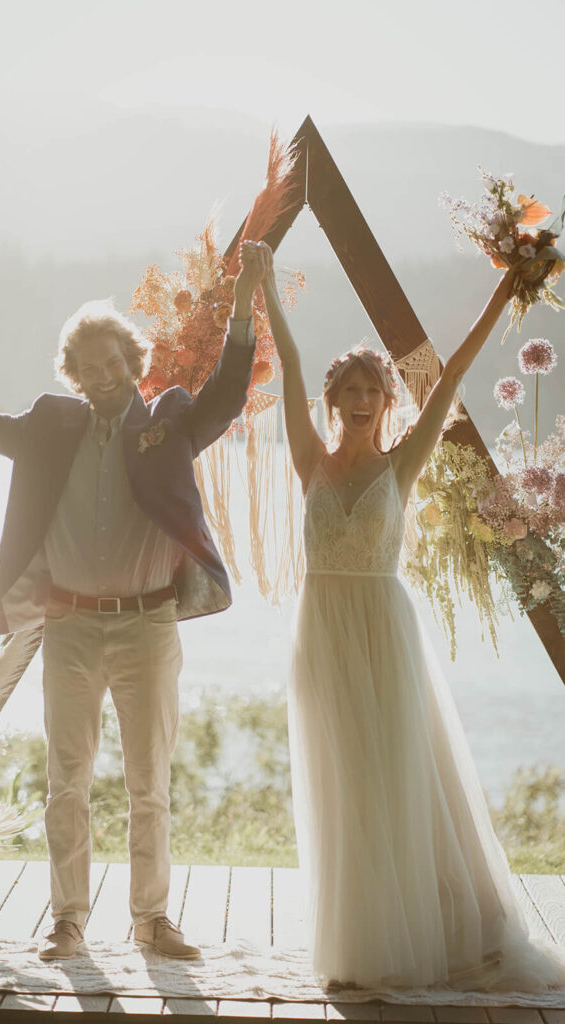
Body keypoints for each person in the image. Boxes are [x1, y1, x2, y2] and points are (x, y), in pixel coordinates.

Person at [0, 241, 264, 961]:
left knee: (147, 783)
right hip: (68, 627)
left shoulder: (171, 421)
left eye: (112, 364)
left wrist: (246, 300)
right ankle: (67, 921)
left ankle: (151, 921)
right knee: (65, 782)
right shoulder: (49, 424)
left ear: (135, 363)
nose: (101, 377)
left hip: (149, 627)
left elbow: (226, 392)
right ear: (72, 375)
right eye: (87, 368)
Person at [257, 241, 565, 995]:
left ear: (384, 403)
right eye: (349, 391)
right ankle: (360, 946)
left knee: (394, 780)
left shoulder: (401, 463)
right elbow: (290, 367)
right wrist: (264, 283)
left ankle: (439, 930)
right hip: (323, 631)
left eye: (372, 392)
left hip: (385, 632)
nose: (360, 402)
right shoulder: (308, 461)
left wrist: (504, 292)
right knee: (342, 785)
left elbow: (451, 376)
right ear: (332, 403)